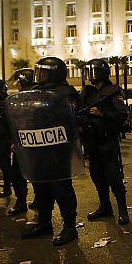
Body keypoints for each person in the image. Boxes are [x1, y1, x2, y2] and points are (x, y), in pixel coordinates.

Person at [17, 57, 81, 246]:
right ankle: (44, 223)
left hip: (58, 150)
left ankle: (70, 227)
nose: (40, 75)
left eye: (43, 72)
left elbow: (69, 120)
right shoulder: (36, 91)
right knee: (41, 188)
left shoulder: (66, 93)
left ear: (54, 72)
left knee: (61, 189)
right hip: (38, 148)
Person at [79, 58, 130, 225]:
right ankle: (105, 206)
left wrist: (103, 114)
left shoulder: (112, 92)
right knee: (97, 177)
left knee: (114, 177)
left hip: (106, 142)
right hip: (92, 142)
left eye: (93, 72)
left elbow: (122, 115)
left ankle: (123, 211)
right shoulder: (88, 92)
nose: (90, 76)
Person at [6, 68, 35, 217]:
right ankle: (21, 201)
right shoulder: (17, 99)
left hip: (34, 142)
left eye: (19, 83)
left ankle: (39, 199)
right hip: (20, 141)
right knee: (17, 174)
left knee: (37, 174)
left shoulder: (38, 98)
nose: (17, 86)